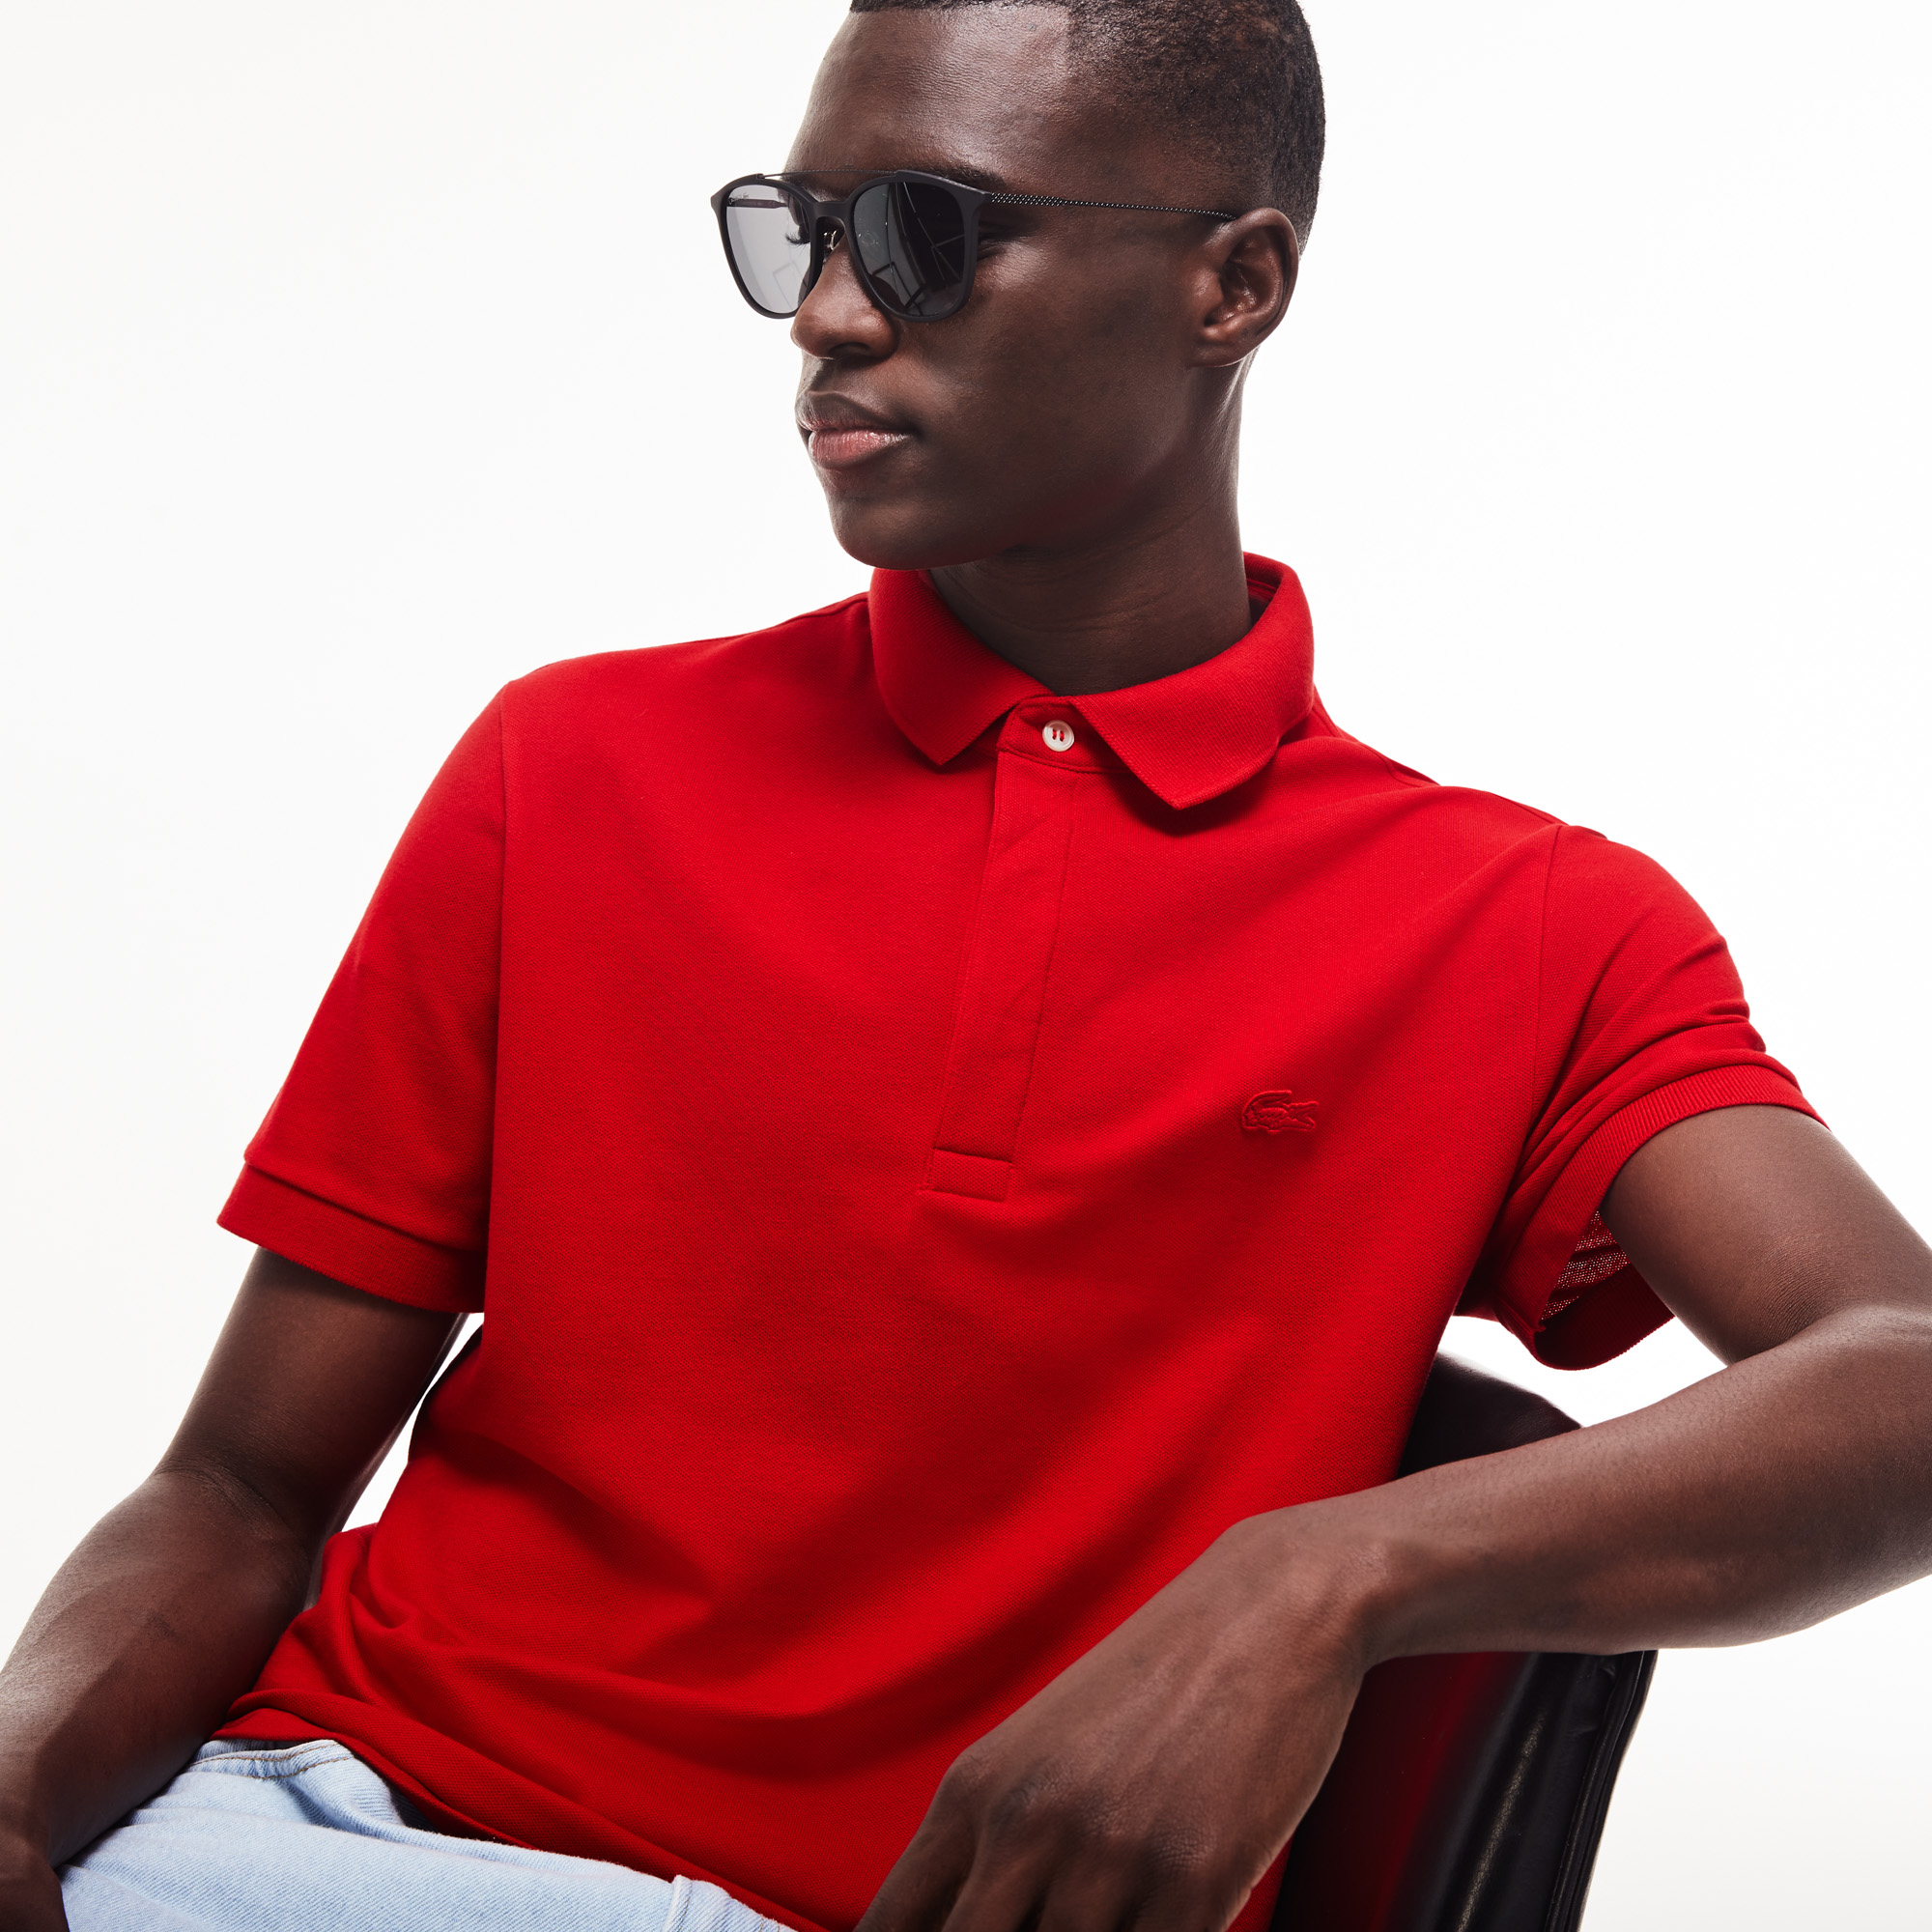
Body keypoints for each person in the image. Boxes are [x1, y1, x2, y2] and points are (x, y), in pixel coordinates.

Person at [4, 2, 1931, 1929]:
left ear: (1233, 284)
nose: (829, 317)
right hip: (303, 1838)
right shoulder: (568, 765)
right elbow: (240, 1489)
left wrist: (1320, 1580)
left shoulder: (1528, 925)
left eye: (928, 234)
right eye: (804, 233)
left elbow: (1902, 1378)